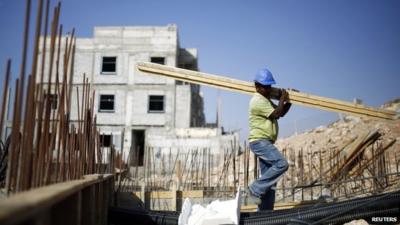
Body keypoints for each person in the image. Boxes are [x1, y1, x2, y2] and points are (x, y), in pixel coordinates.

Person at [246, 67, 292, 210]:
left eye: (269, 86)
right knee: (281, 164)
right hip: (259, 141)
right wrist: (282, 99)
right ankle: (254, 189)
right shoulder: (257, 101)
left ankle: (265, 214)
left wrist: (289, 102)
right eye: (265, 87)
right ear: (257, 87)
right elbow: (277, 114)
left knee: (270, 181)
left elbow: (281, 112)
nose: (268, 89)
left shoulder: (264, 99)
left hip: (264, 141)